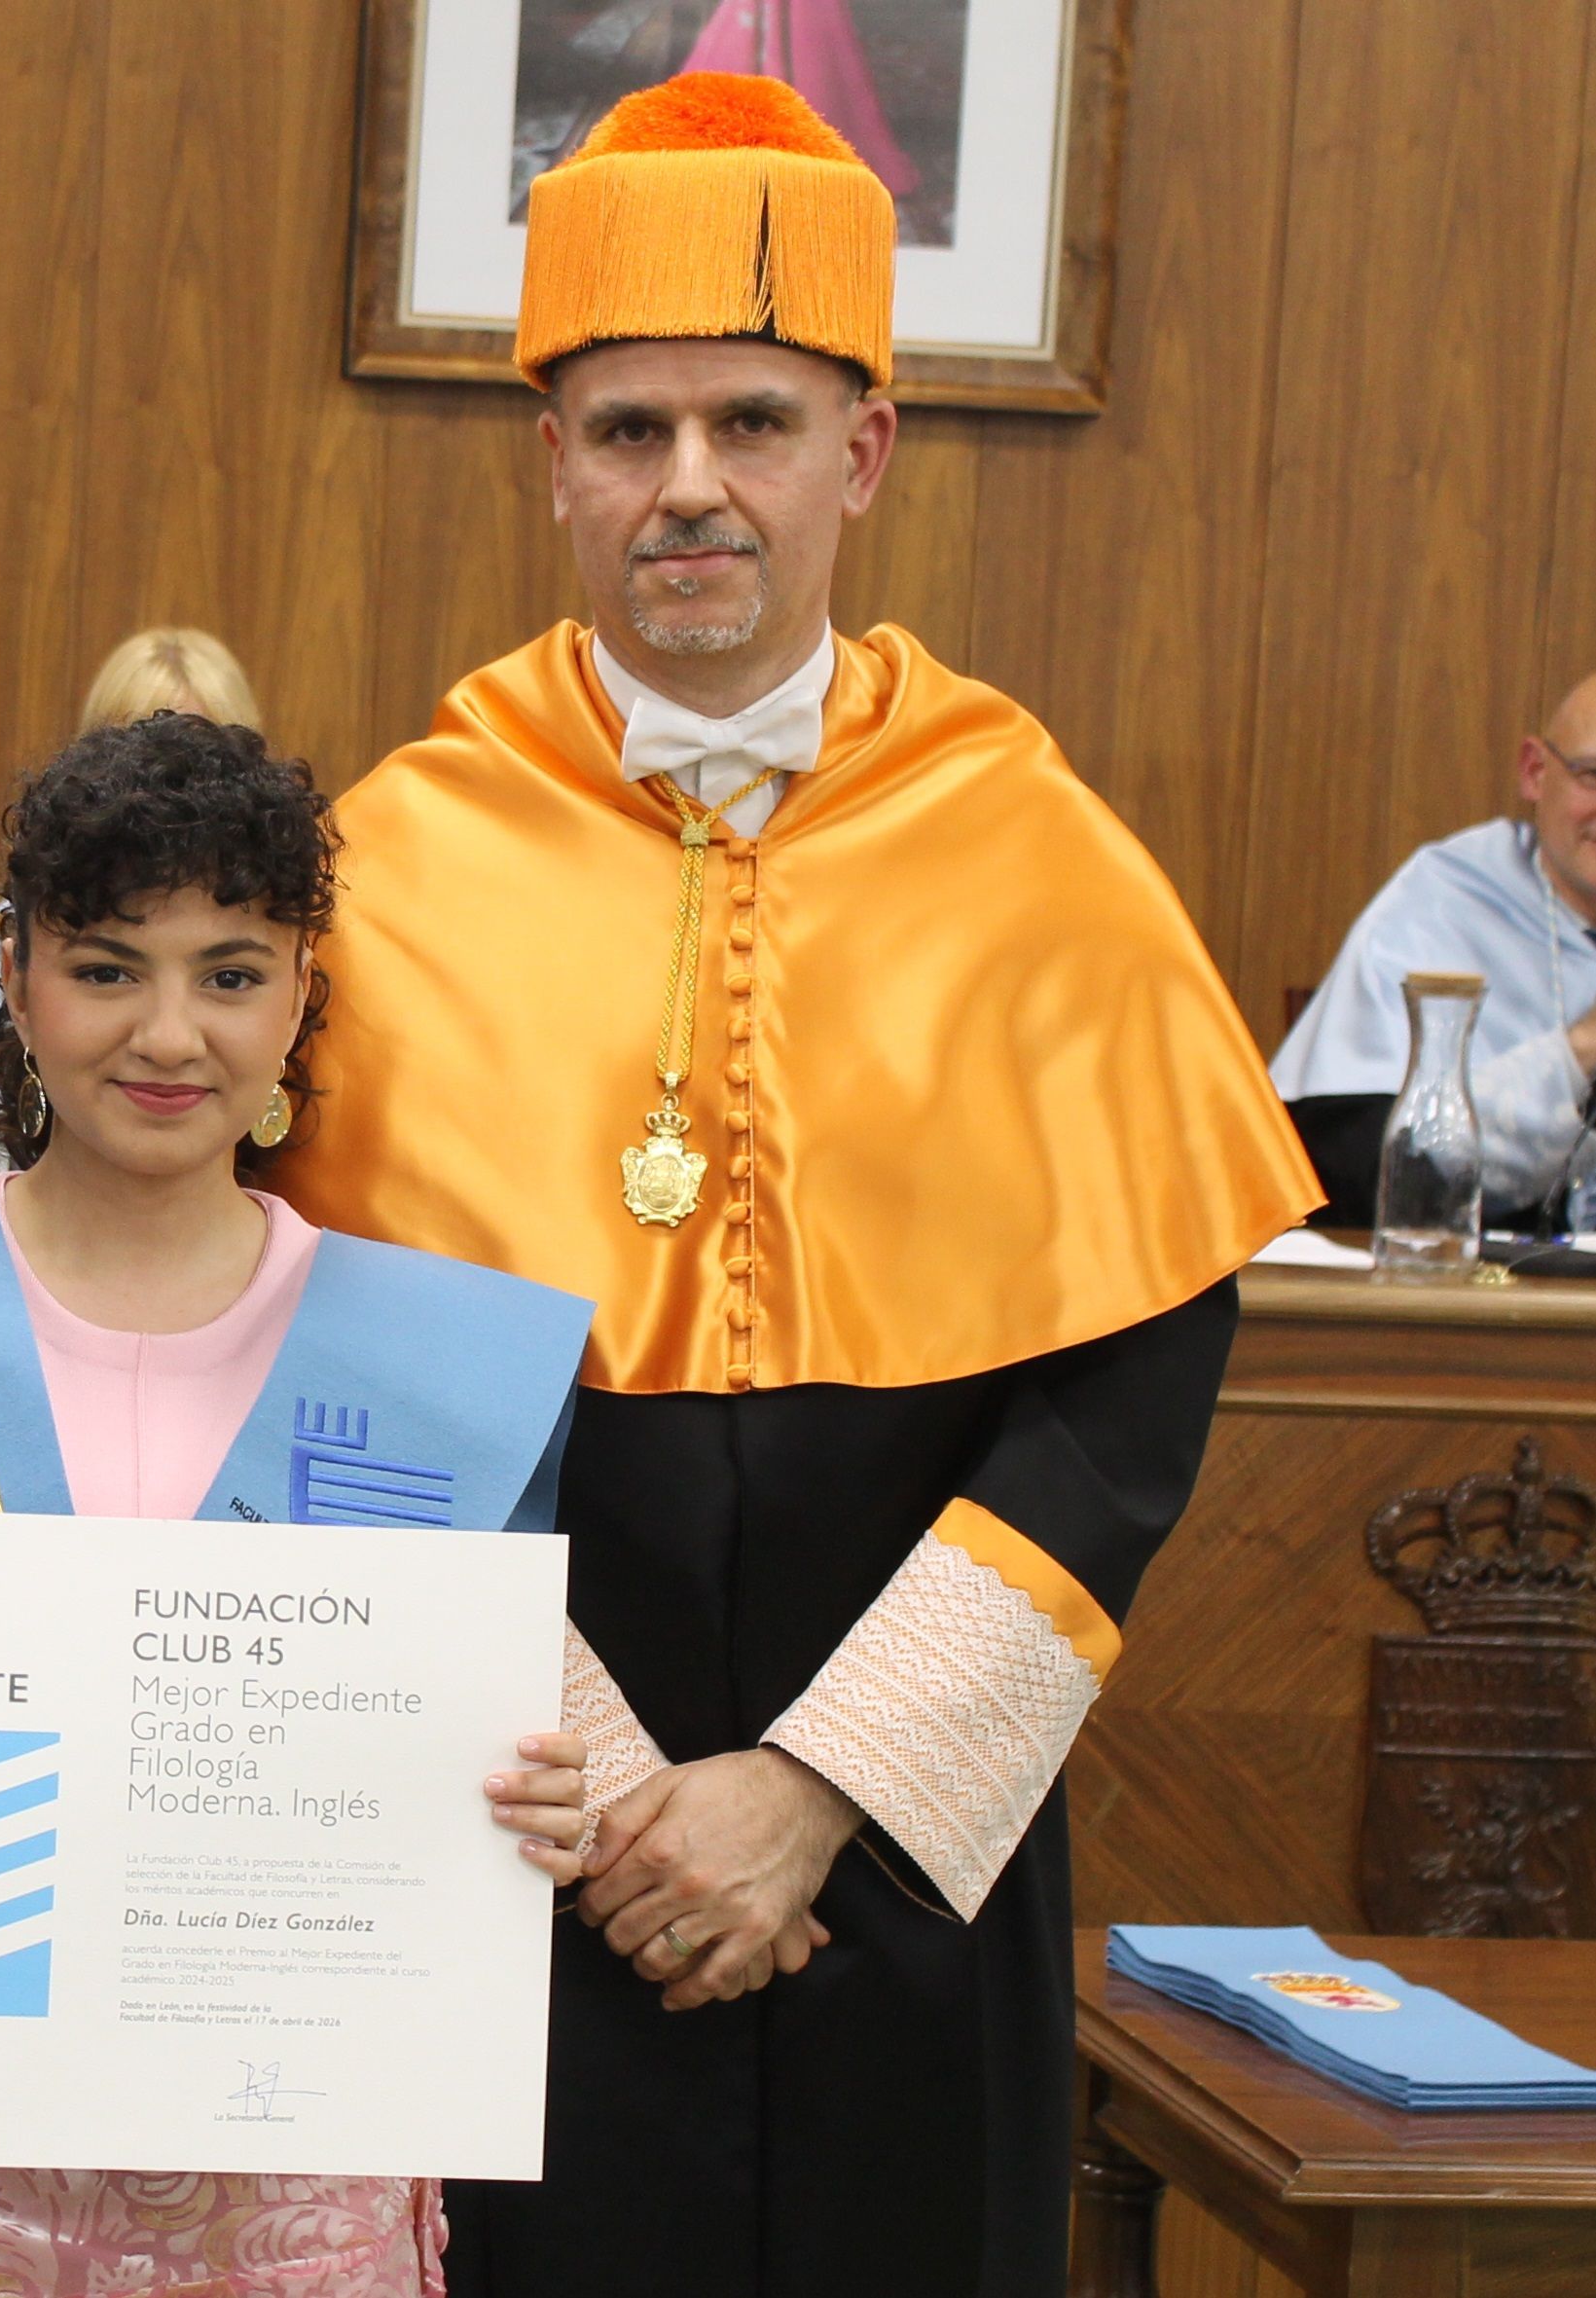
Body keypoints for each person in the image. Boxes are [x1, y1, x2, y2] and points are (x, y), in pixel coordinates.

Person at [269, 74, 1323, 2297]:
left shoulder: (1036, 853)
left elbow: (1127, 1401)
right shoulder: (393, 866)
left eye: (751, 421)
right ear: (551, 462)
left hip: (912, 1865)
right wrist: (614, 1795)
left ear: (864, 451)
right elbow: (308, 1353)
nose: (689, 484)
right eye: (628, 428)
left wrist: (818, 1787)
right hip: (520, 1842)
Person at [0, 714, 600, 2297]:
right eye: (107, 967)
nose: (169, 1033)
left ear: (302, 990)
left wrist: (528, 1814)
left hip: (285, 2201)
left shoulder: (442, 1359)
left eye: (231, 972)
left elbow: (464, 1759)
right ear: (13, 978)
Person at [0, 627, 264, 1183]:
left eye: (229, 979)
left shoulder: (288, 947)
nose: (169, 795)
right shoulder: (12, 943)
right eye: (104, 973)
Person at [1272, 670, 1596, 1228]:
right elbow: (1376, 1173)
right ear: (1535, 772)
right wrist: (1581, 1050)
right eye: (1594, 776)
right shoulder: (1443, 906)